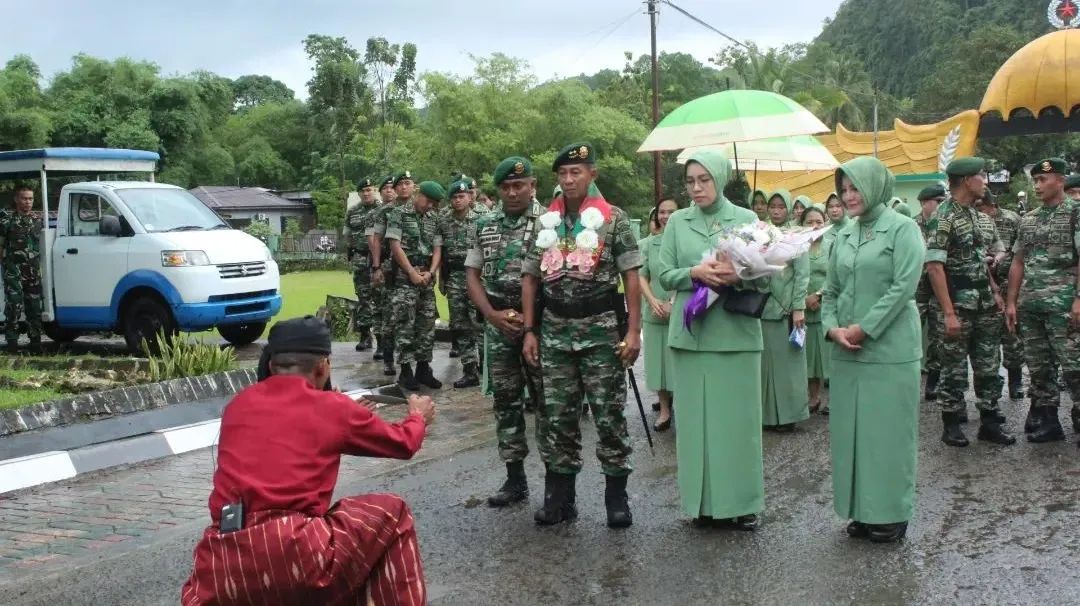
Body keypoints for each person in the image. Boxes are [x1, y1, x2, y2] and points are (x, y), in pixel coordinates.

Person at [180, 316, 435, 605]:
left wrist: (343, 412)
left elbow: (287, 427)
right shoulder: (332, 408)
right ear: (323, 366)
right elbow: (404, 443)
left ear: (273, 365)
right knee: (392, 512)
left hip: (221, 562)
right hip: (293, 551)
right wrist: (417, 417)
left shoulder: (238, 404)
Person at [521, 142, 641, 528]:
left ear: (593, 175)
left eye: (577, 172)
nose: (569, 179)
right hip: (555, 330)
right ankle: (560, 498)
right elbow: (530, 277)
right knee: (557, 417)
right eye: (563, 174)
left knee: (608, 415)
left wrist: (634, 330)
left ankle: (616, 497)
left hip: (602, 331)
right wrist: (529, 330)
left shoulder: (614, 220)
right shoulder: (544, 224)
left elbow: (631, 275)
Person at [658, 149, 764, 530]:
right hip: (692, 336)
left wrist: (740, 275)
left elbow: (766, 274)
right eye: (690, 181)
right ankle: (701, 505)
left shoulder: (747, 219)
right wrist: (695, 272)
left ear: (720, 178)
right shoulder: (677, 223)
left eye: (704, 179)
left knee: (737, 423)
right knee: (697, 425)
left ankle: (742, 503)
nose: (697, 188)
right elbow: (663, 273)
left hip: (735, 335)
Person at [823, 156, 923, 544]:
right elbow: (830, 291)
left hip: (890, 349)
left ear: (875, 186)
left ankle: (890, 513)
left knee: (887, 435)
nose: (848, 196)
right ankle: (863, 510)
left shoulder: (903, 229)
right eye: (843, 189)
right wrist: (832, 328)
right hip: (847, 351)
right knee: (853, 435)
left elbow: (904, 287)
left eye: (855, 188)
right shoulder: (844, 234)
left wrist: (865, 328)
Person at [466, 156, 547, 507]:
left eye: (520, 185)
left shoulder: (552, 222)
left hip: (542, 325)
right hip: (499, 322)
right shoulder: (484, 224)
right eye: (506, 187)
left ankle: (556, 484)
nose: (513, 192)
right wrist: (492, 316)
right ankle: (515, 480)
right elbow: (471, 274)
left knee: (549, 404)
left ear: (533, 186)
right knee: (507, 402)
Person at [925, 157, 1014, 447]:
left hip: (985, 304)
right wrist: (949, 313)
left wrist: (996, 291)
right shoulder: (944, 217)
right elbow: (935, 267)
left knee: (989, 365)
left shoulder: (981, 218)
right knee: (953, 367)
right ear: (966, 180)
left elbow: (983, 258)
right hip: (957, 306)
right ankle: (951, 424)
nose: (985, 181)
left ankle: (989, 421)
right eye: (981, 176)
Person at [1005, 158, 1080, 444]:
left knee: (1074, 365)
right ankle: (1048, 421)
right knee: (1039, 367)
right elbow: (1018, 261)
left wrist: (1078, 299)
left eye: (1042, 180)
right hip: (1032, 307)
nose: (1037, 185)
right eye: (1034, 180)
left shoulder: (1075, 213)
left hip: (1064, 307)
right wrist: (1012, 302)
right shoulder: (1029, 219)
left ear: (1060, 180)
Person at [386, 180, 444, 391]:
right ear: (418, 194)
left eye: (434, 203)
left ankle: (423, 368)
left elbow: (438, 248)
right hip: (404, 280)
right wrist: (411, 272)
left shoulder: (434, 218)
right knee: (404, 324)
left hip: (426, 279)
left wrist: (431, 272)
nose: (430, 206)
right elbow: (395, 246)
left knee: (426, 325)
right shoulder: (399, 214)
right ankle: (405, 371)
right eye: (428, 201)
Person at [760, 189, 809, 431]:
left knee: (788, 366)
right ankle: (767, 416)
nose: (777, 210)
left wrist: (798, 306)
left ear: (788, 208)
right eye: (773, 206)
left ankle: (789, 415)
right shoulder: (760, 233)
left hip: (787, 309)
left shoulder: (796, 235)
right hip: (763, 307)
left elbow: (802, 274)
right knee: (765, 365)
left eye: (781, 206)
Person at [974, 189, 1026, 400]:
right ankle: (991, 387)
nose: (979, 212)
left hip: (1008, 285)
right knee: (987, 341)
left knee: (1012, 336)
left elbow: (1021, 252)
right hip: (985, 286)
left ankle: (1016, 382)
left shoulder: (1012, 219)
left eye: (981, 207)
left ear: (991, 205)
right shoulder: (975, 221)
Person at [368, 172, 415, 374]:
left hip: (415, 267)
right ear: (394, 189)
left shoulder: (419, 208)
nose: (404, 187)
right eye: (400, 184)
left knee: (416, 316)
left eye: (408, 183)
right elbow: (376, 240)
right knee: (390, 315)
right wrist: (377, 267)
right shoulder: (385, 211)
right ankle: (388, 358)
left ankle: (413, 360)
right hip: (391, 268)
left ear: (414, 186)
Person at [640, 198, 679, 431]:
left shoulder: (684, 243)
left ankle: (682, 406)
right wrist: (652, 300)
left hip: (679, 310)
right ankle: (664, 409)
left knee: (677, 362)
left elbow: (690, 276)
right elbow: (642, 275)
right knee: (658, 365)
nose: (665, 216)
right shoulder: (649, 244)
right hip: (653, 311)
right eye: (662, 212)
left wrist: (673, 302)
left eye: (671, 212)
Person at [440, 179, 482, 388]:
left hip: (477, 277)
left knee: (480, 322)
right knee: (460, 325)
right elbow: (441, 252)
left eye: (461, 196)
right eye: (454, 197)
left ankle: (488, 368)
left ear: (469, 197)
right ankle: (470, 369)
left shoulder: (482, 219)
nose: (458, 201)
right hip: (455, 277)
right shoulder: (444, 221)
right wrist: (442, 278)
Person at [0, 186, 43, 354]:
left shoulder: (36, 220)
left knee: (34, 307)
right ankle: (12, 344)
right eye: (25, 198)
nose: (28, 202)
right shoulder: (7, 220)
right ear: (17, 200)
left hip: (32, 271)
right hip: (13, 271)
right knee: (13, 307)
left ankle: (36, 344)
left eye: (31, 199)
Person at [914, 184, 946, 401]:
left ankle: (933, 382)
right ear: (925, 203)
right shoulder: (910, 226)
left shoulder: (945, 224)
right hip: (915, 291)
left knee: (938, 338)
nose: (942, 206)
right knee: (910, 334)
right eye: (938, 201)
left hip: (937, 291)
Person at [345, 177, 381, 352]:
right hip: (360, 259)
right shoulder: (352, 212)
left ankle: (383, 340)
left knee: (381, 298)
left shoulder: (382, 210)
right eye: (363, 191)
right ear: (359, 193)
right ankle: (365, 336)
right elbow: (348, 235)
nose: (366, 193)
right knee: (363, 298)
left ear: (374, 191)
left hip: (380, 260)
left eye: (369, 190)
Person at [801, 204, 830, 414]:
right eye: (809, 222)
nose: (814, 226)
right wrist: (802, 299)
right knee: (809, 357)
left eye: (818, 222)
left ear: (825, 222)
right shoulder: (796, 248)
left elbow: (837, 276)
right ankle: (814, 397)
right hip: (801, 309)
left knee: (828, 356)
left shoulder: (832, 246)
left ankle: (836, 398)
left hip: (826, 308)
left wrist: (818, 295)